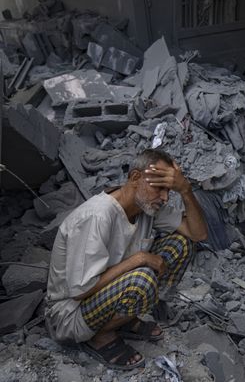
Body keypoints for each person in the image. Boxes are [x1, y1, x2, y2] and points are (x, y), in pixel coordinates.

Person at [45, 149, 208, 370]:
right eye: (159, 188)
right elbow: (80, 290)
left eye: (169, 190)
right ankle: (101, 335)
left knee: (181, 244)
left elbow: (198, 234)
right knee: (142, 278)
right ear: (135, 178)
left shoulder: (146, 208)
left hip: (106, 294)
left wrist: (186, 190)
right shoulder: (98, 215)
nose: (165, 197)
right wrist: (140, 259)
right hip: (69, 315)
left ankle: (124, 318)